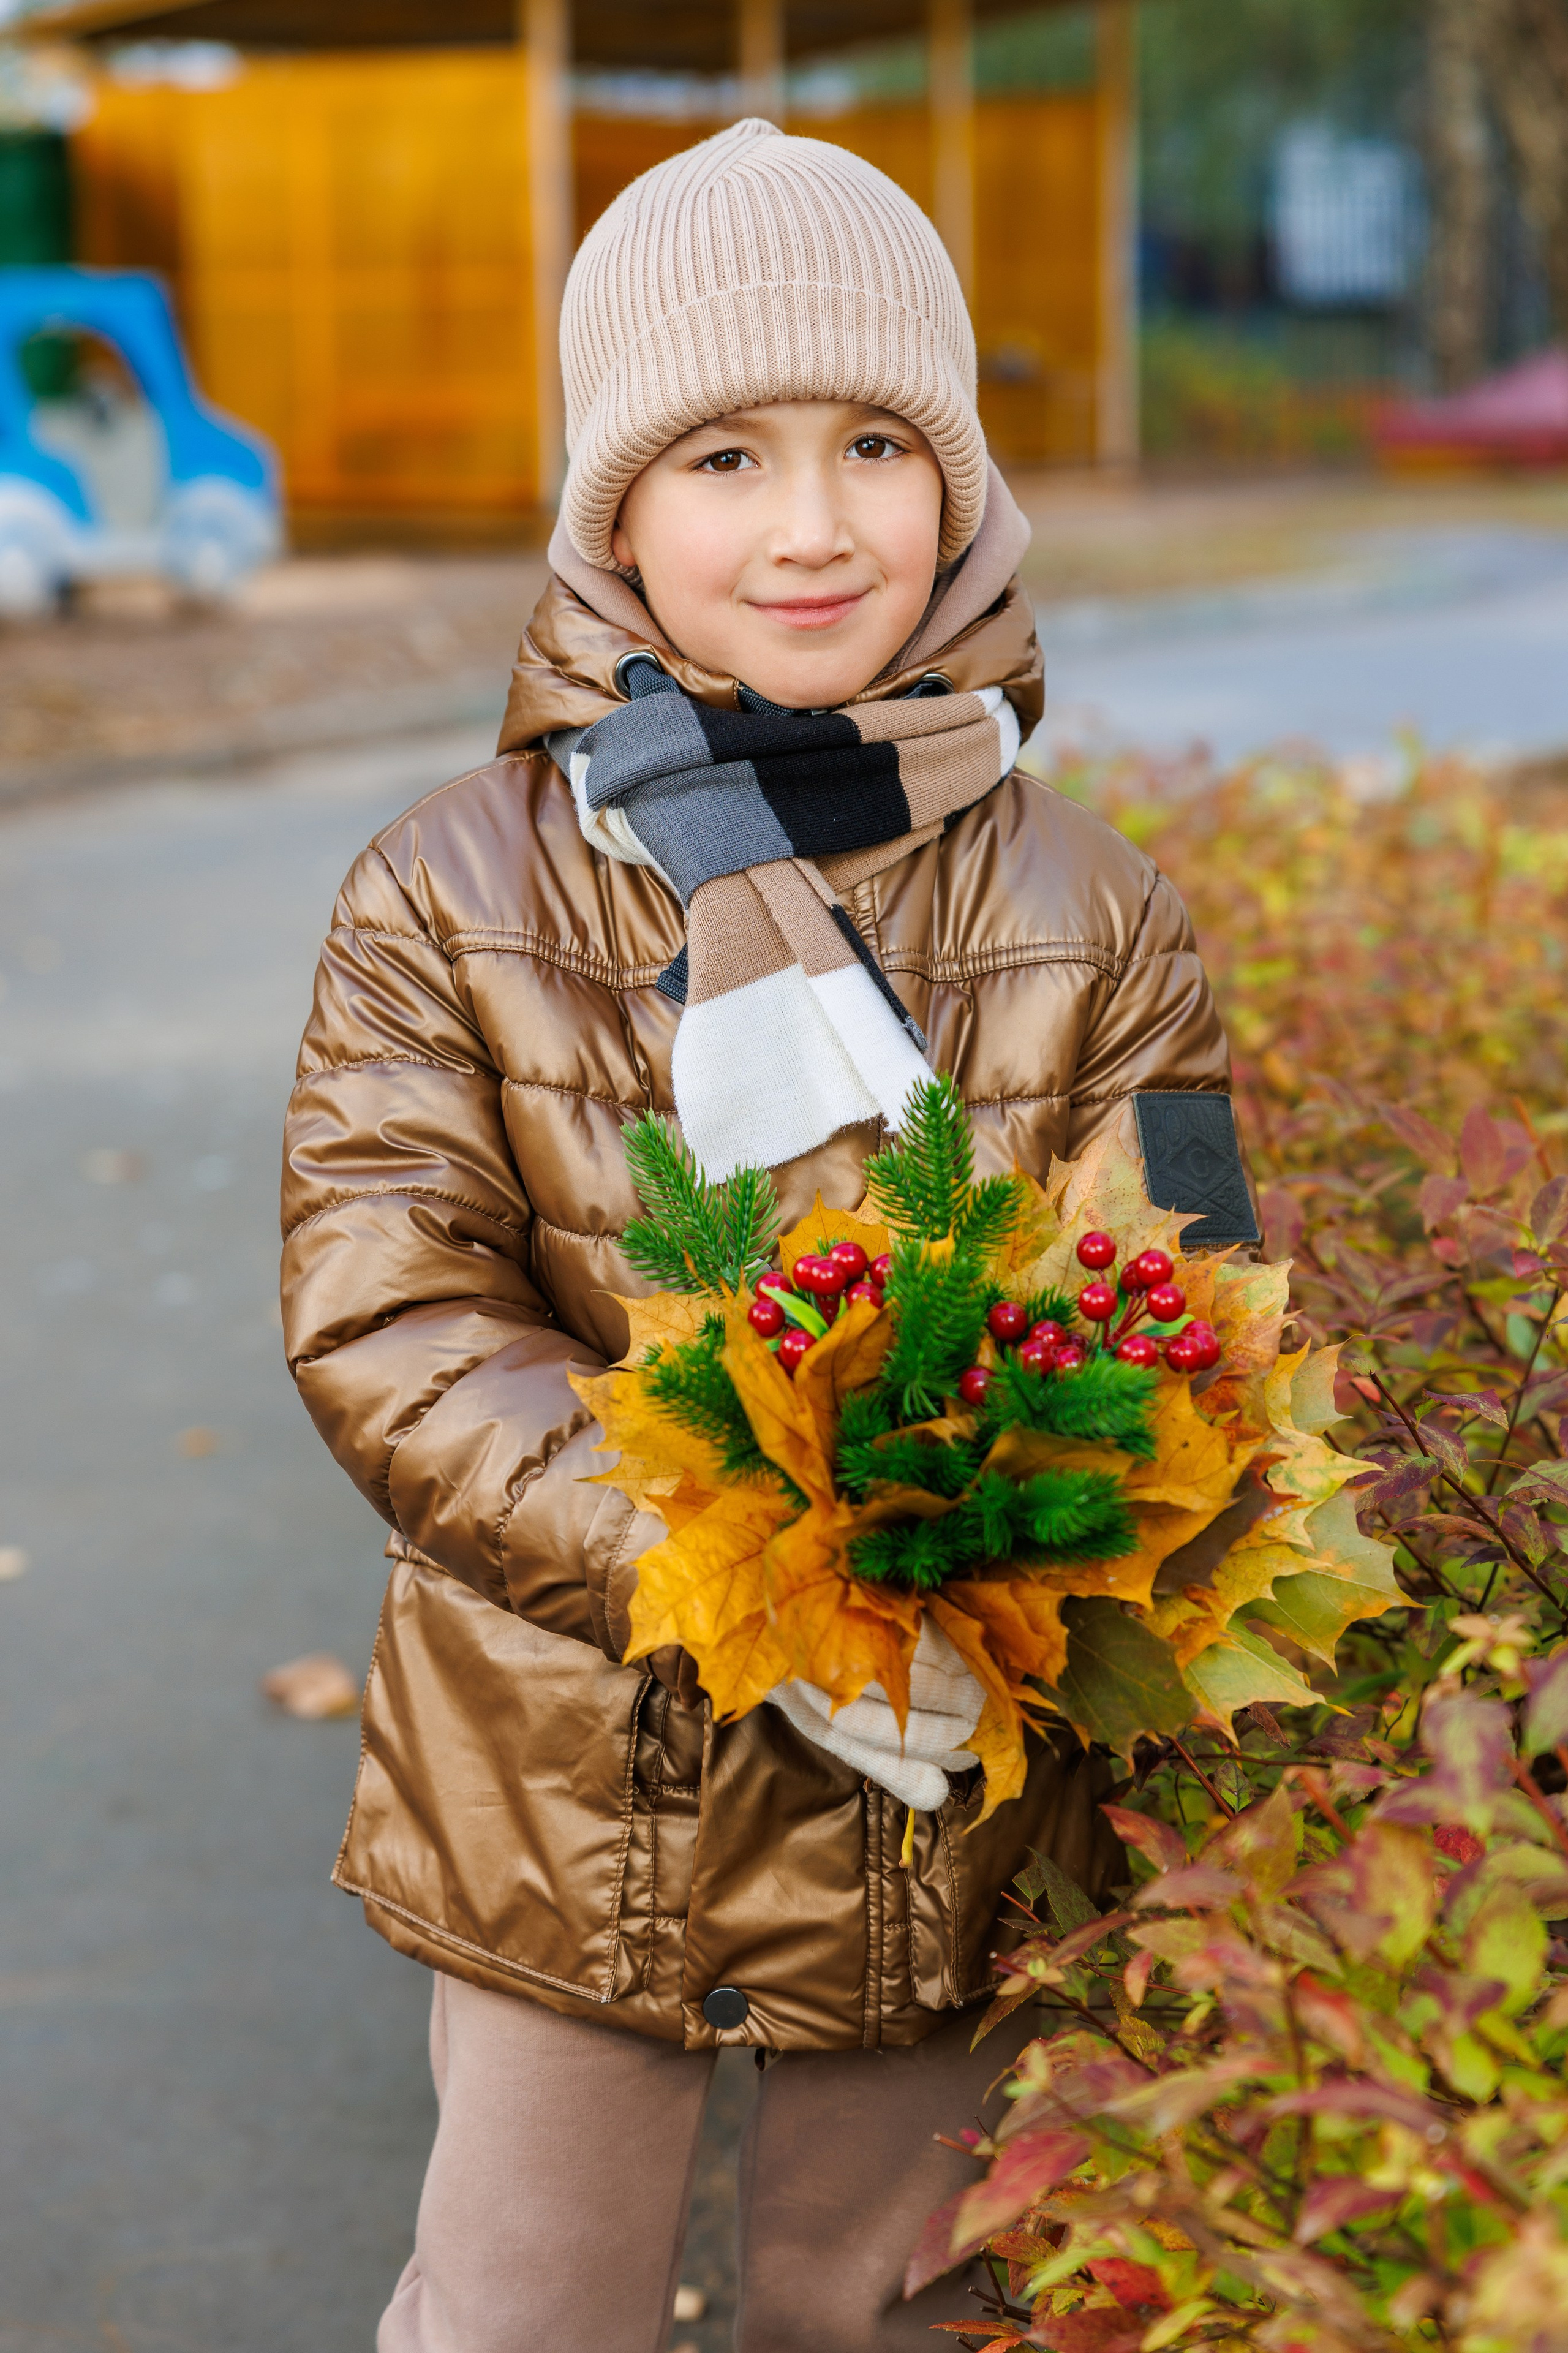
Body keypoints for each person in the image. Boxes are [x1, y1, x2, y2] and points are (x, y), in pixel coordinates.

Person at [280, 118, 1253, 2353]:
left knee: (899, 2301)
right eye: (721, 453)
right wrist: (749, 1564)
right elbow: (392, 1308)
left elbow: (1197, 1317)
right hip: (569, 1770)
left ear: (964, 487)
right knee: (527, 2303)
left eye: (877, 444)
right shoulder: (451, 890)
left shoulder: (1093, 910)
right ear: (611, 510)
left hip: (961, 1805)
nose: (812, 523)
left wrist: (1044, 1541)